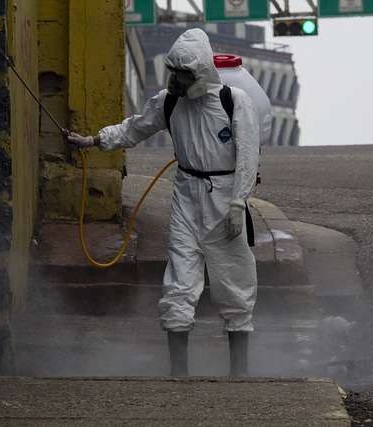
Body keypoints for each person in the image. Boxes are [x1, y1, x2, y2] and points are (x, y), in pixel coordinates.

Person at [65, 28, 260, 377]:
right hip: (187, 195)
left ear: (200, 73)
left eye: (184, 75)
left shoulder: (234, 101)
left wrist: (237, 203)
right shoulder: (169, 103)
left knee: (234, 282)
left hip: (226, 197)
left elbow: (248, 156)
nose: (177, 81)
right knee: (179, 281)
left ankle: (240, 374)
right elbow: (134, 129)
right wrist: (93, 140)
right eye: (175, 74)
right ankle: (178, 374)